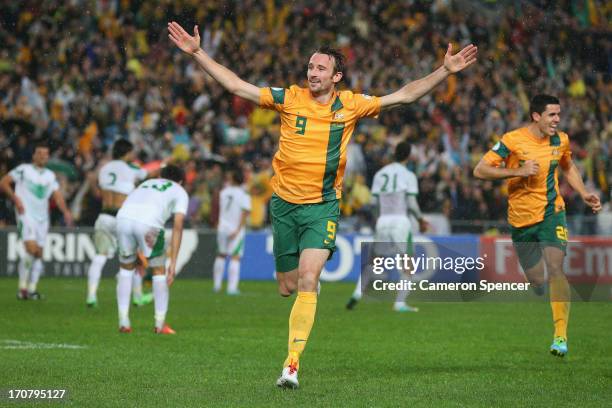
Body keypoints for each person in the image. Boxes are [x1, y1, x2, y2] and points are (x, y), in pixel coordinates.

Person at [168, 21, 477, 388]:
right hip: (283, 204)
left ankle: (291, 364)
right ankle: (304, 294)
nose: (312, 73)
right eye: (310, 67)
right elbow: (236, 85)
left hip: (323, 206)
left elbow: (405, 95)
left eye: (320, 69)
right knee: (287, 286)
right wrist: (198, 53)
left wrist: (444, 70)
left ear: (337, 77)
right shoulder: (289, 97)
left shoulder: (351, 105)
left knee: (308, 278)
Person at [473, 94, 602, 357]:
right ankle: (539, 285)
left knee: (556, 267)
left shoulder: (560, 140)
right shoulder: (512, 141)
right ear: (536, 116)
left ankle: (560, 335)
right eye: (551, 115)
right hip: (521, 220)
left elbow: (567, 166)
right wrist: (517, 172)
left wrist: (583, 191)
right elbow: (480, 170)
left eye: (558, 114)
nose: (557, 120)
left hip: (552, 213)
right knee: (536, 280)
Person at [346, 141, 428, 312]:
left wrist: (379, 218)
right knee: (408, 264)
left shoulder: (380, 174)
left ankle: (356, 294)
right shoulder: (408, 175)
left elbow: (374, 202)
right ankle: (399, 304)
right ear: (409, 156)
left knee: (373, 261)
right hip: (400, 221)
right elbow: (412, 203)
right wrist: (420, 220)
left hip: (383, 220)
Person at [115, 165, 188, 334]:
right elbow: (178, 226)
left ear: (161, 175)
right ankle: (159, 324)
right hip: (149, 224)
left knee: (126, 269)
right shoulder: (179, 190)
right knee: (159, 271)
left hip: (123, 219)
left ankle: (123, 321)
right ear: (181, 181)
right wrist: (173, 263)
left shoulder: (147, 183)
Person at [85, 139, 159, 308]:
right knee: (135, 258)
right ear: (127, 153)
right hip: (122, 217)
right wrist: (165, 166)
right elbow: (148, 175)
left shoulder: (104, 168)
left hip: (104, 216)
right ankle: (138, 296)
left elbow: (97, 190)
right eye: (132, 153)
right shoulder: (130, 167)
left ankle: (91, 296)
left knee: (99, 256)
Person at [0, 142, 73, 300]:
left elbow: (57, 195)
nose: (43, 156)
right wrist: (16, 200)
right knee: (31, 249)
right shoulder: (23, 170)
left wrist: (66, 211)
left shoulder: (50, 175)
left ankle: (32, 289)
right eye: (40, 153)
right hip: (26, 214)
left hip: (42, 217)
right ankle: (22, 288)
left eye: (46, 154)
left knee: (39, 253)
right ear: (33, 155)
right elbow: (4, 182)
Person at [213, 167, 251, 295]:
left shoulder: (223, 192)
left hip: (222, 227)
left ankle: (217, 286)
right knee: (235, 257)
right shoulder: (244, 195)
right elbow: (245, 213)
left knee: (221, 255)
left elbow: (218, 209)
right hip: (235, 229)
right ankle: (232, 288)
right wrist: (238, 229)